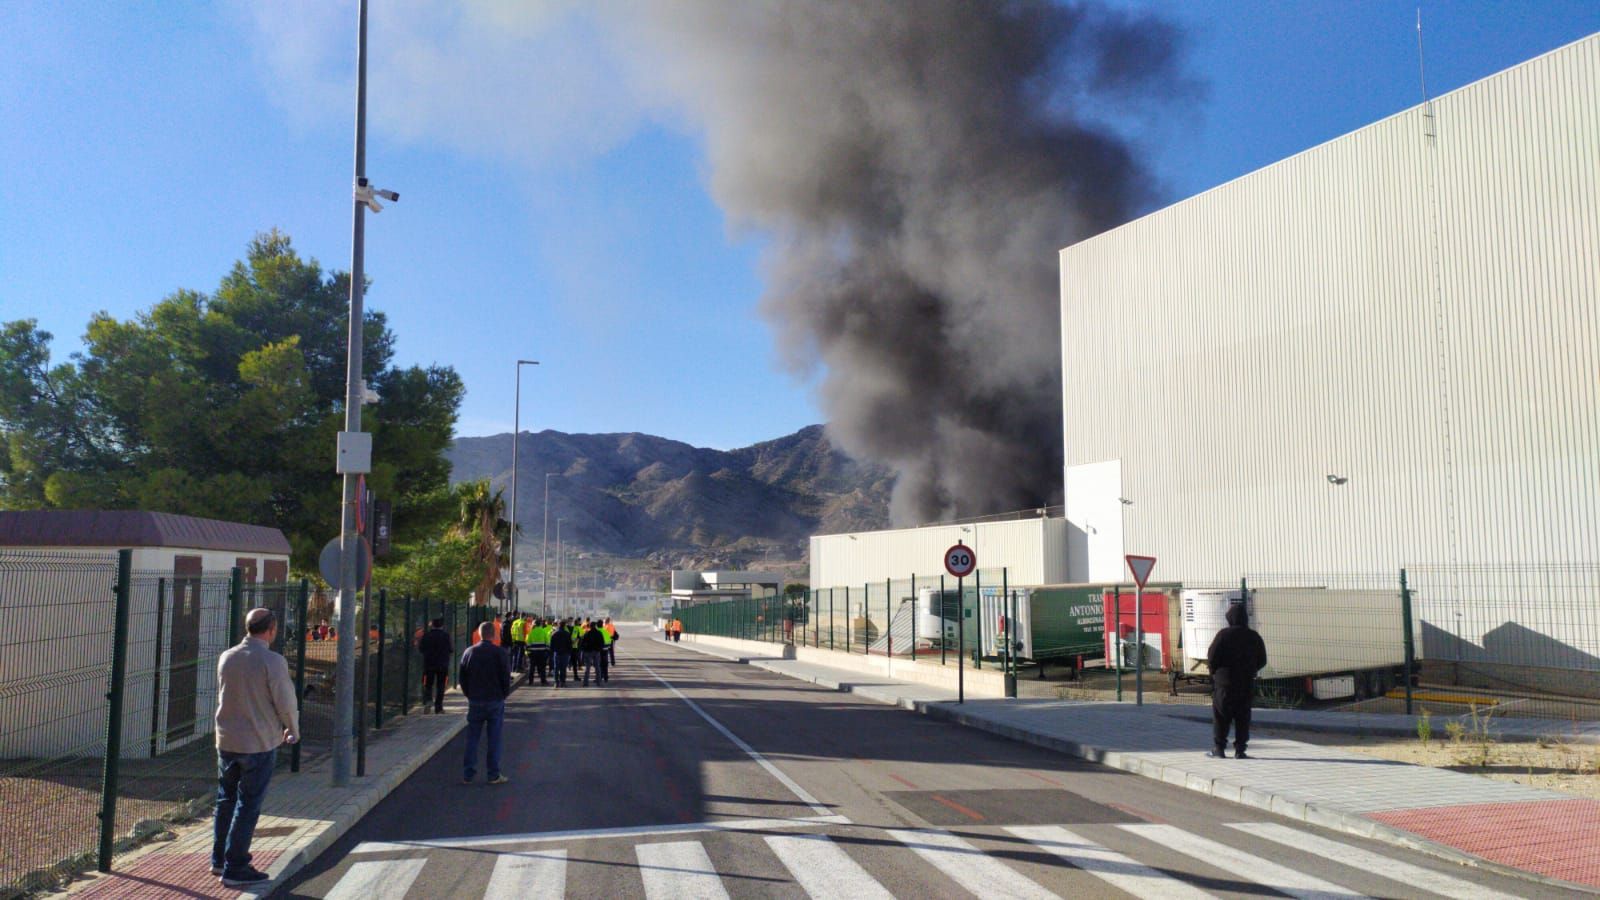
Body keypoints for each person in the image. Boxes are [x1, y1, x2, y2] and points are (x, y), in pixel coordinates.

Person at [211, 608, 299, 887]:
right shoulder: (272, 662)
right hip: (258, 742)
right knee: (248, 805)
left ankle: (218, 859)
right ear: (271, 629)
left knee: (225, 800)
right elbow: (285, 702)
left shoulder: (227, 657)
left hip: (226, 741)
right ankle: (236, 866)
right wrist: (292, 729)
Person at [1205, 603, 1268, 759]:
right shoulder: (1254, 637)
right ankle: (1240, 750)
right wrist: (1251, 670)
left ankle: (1219, 748)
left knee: (1221, 716)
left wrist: (1214, 672)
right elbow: (1263, 660)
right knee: (1243, 717)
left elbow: (1212, 657)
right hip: (1245, 684)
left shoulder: (1223, 635)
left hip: (1224, 684)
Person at [459, 622, 512, 784]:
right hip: (495, 700)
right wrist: (503, 695)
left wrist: (469, 694)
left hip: (476, 700)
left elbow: (463, 678)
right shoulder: (500, 653)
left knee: (472, 738)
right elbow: (505, 677)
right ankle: (493, 774)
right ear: (493, 635)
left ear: (480, 634)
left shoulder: (469, 652)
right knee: (494, 738)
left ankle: (468, 774)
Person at [418, 617, 453, 714]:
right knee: (441, 686)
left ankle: (428, 700)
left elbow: (421, 648)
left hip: (429, 664)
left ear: (432, 625)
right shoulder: (446, 636)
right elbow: (451, 649)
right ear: (442, 626)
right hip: (443, 665)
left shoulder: (426, 636)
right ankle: (439, 708)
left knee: (428, 684)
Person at [579, 619, 606, 686]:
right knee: (597, 667)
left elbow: (582, 643)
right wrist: (599, 649)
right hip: (596, 652)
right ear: (595, 626)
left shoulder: (587, 634)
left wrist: (584, 650)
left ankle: (585, 683)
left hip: (588, 652)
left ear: (590, 626)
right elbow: (602, 643)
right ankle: (599, 682)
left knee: (587, 668)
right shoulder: (599, 633)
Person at [548, 618, 573, 688]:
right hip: (565, 653)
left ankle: (556, 682)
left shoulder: (554, 634)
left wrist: (551, 653)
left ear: (559, 625)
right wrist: (569, 653)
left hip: (557, 653)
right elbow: (570, 645)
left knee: (556, 668)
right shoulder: (567, 634)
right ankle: (563, 682)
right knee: (563, 668)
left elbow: (551, 645)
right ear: (564, 626)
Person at [526, 617, 551, 686]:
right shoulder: (544, 632)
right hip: (542, 653)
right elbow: (547, 643)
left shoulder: (531, 632)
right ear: (540, 624)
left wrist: (529, 653)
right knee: (542, 668)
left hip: (533, 653)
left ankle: (530, 681)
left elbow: (528, 644)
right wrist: (547, 652)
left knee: (532, 668)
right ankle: (543, 681)